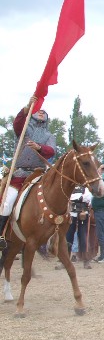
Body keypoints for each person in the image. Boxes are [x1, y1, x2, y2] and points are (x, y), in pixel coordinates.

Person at [0, 106, 59, 249]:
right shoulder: (24, 129)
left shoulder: (49, 136)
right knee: (7, 202)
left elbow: (52, 151)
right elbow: (17, 122)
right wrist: (26, 108)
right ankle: (1, 235)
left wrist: (39, 147)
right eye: (39, 111)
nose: (41, 112)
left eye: (44, 112)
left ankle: (50, 237)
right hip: (19, 175)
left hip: (38, 175)